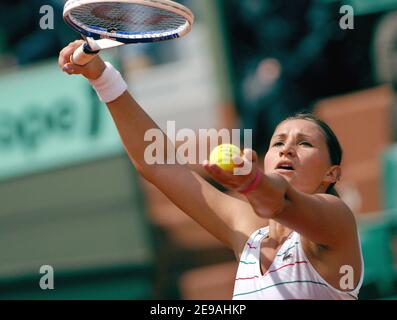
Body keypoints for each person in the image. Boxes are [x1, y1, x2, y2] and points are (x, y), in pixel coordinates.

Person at [58, 40, 364, 300]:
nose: (286, 148)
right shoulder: (249, 232)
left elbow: (278, 200)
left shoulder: (337, 220)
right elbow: (160, 166)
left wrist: (251, 182)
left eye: (305, 144)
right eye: (278, 142)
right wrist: (103, 78)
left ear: (331, 174)